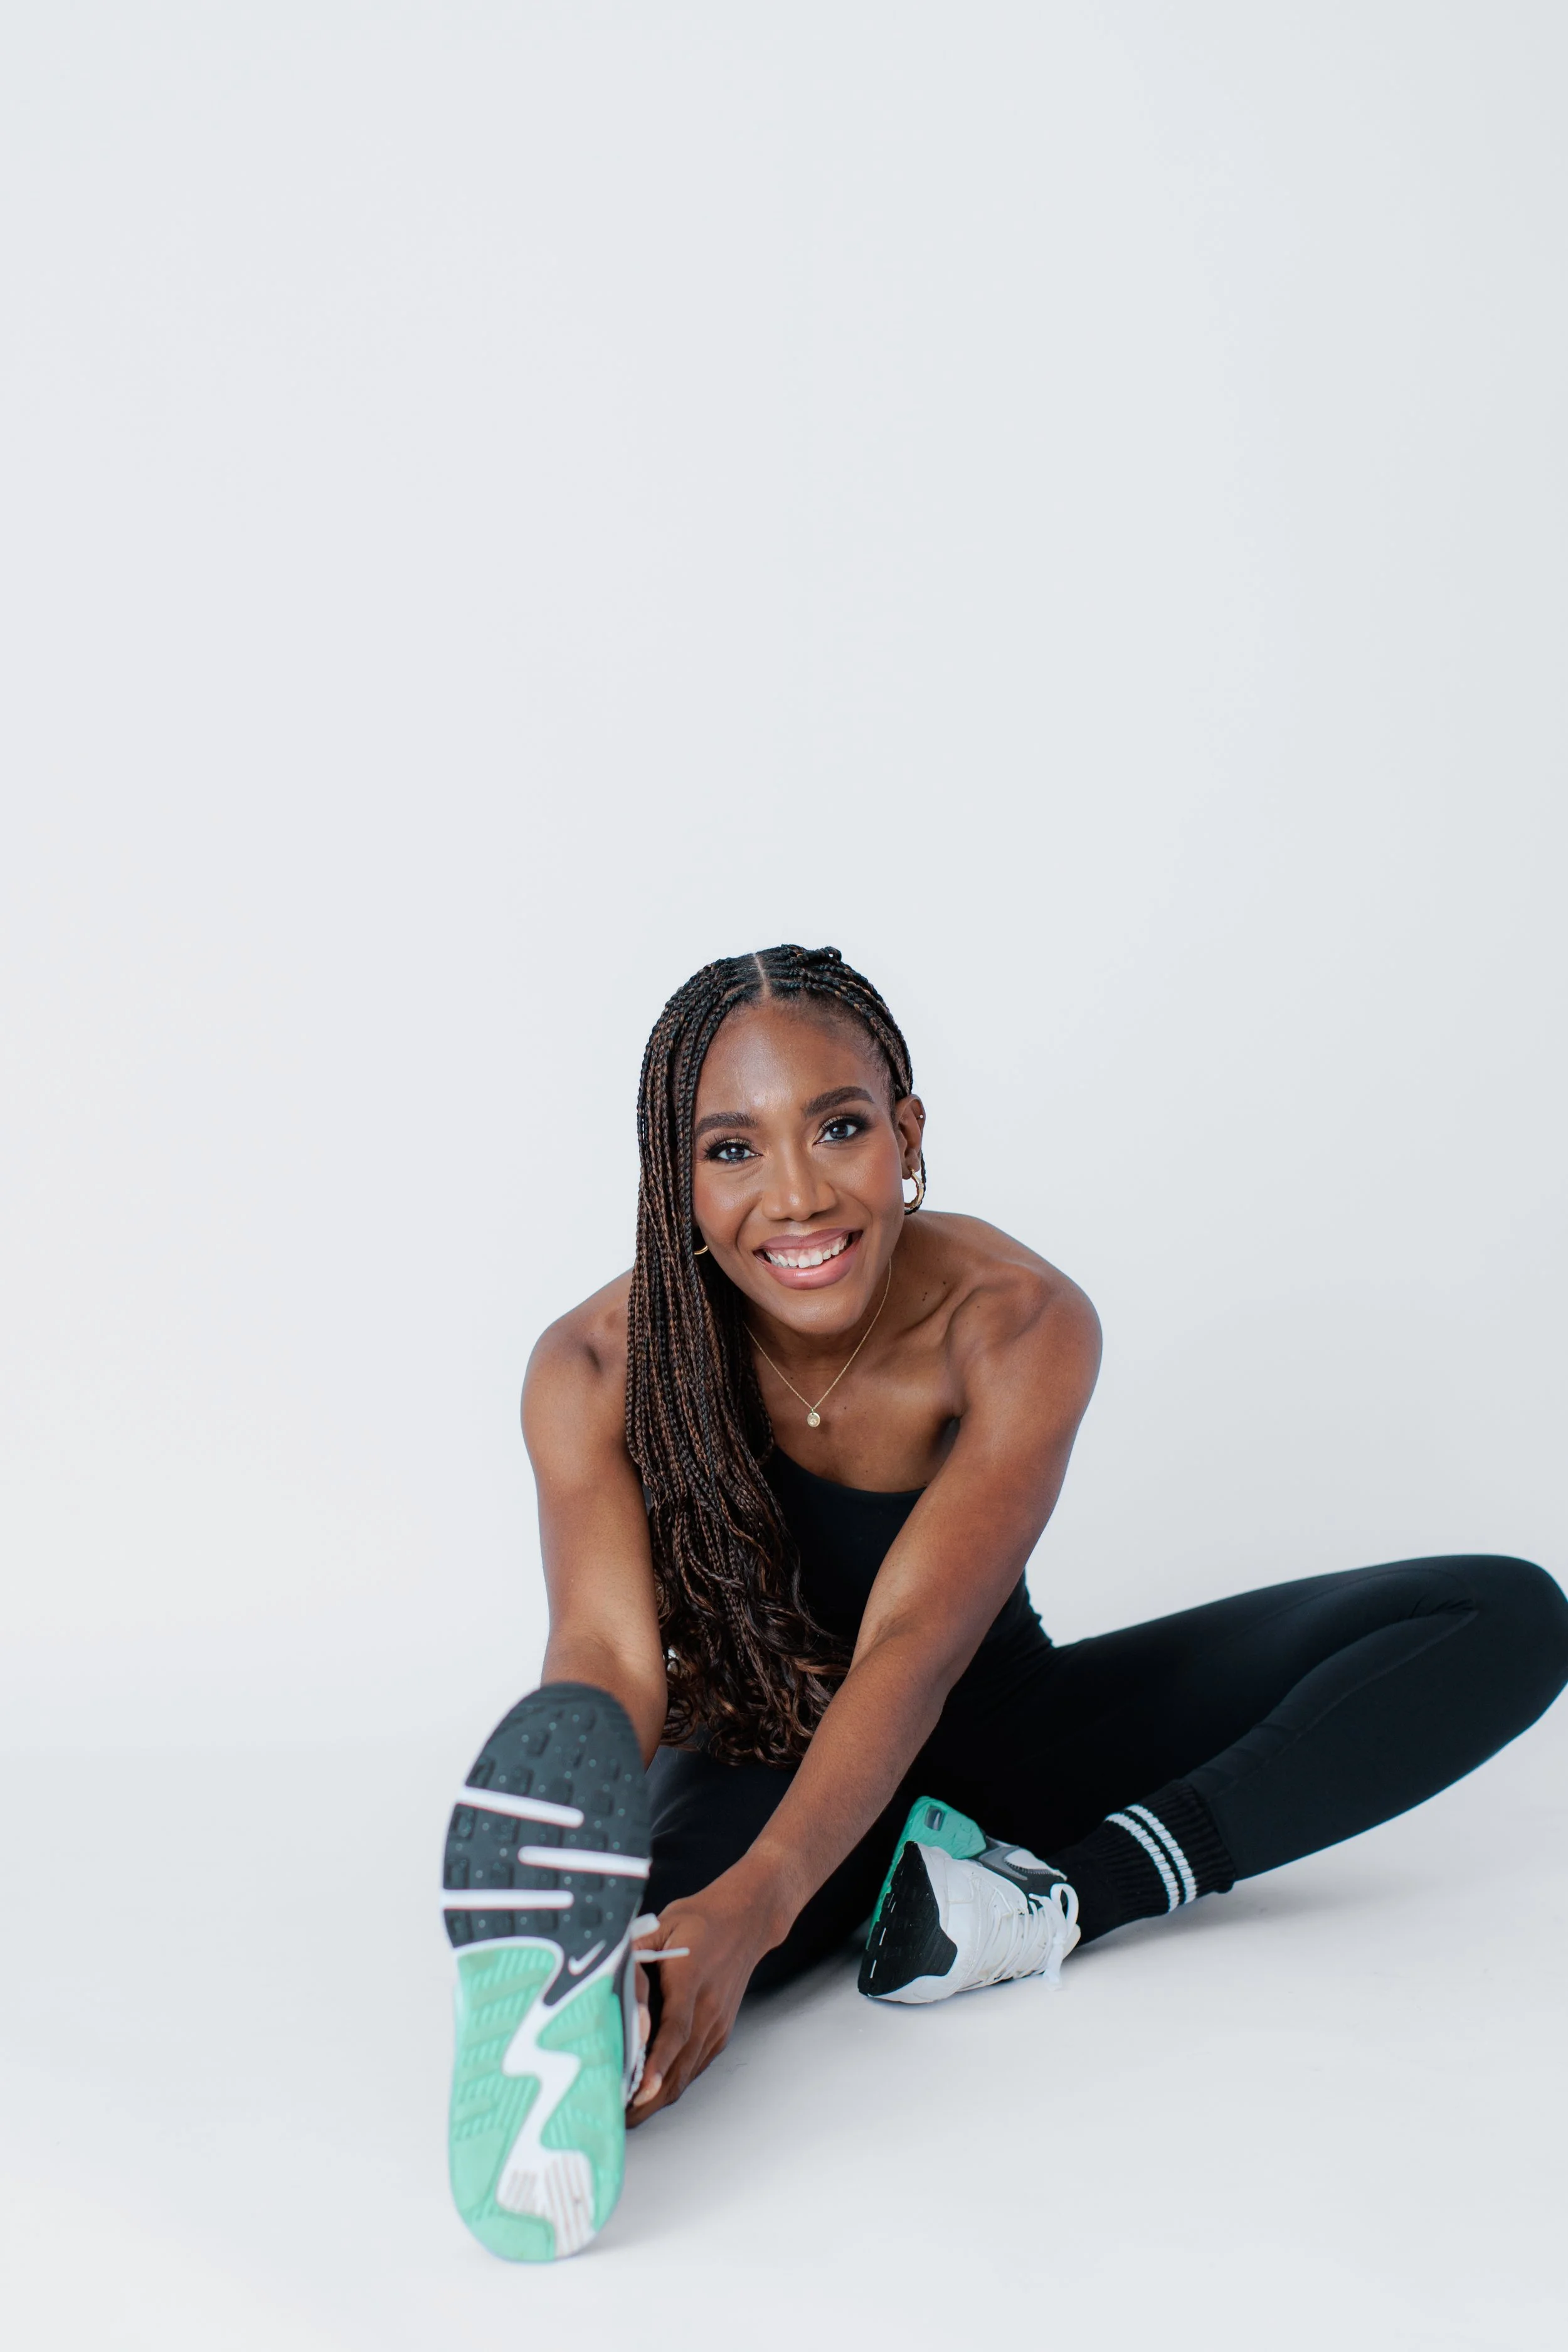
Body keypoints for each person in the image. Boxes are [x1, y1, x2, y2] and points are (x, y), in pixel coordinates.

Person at [440, 943, 1568, 2262]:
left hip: (999, 1737)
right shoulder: (593, 1365)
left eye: (840, 1128)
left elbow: (914, 1645)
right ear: (672, 1179)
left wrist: (765, 1901)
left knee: (1502, 1616)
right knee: (648, 1960)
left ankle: (1046, 1902)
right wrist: (624, 1849)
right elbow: (607, 1654)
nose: (797, 1195)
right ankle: (582, 2023)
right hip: (759, 1760)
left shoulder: (1016, 1319)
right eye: (732, 1150)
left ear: (907, 1135)